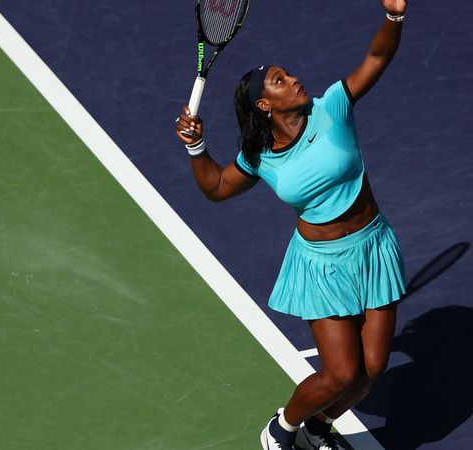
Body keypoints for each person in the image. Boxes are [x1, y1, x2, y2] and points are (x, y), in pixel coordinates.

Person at [176, 1, 408, 448]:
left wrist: (393, 17)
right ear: (265, 104)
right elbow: (217, 188)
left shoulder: (333, 107)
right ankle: (282, 429)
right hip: (320, 267)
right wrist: (196, 146)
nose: (295, 79)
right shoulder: (260, 157)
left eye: (289, 73)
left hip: (372, 247)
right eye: (279, 80)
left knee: (373, 370)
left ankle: (318, 430)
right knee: (342, 372)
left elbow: (377, 57)